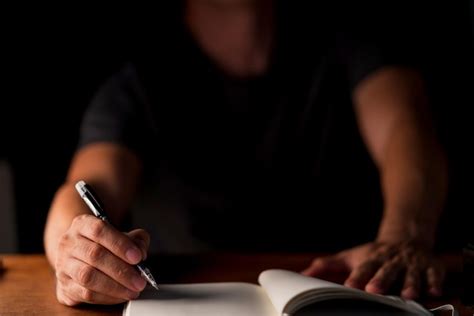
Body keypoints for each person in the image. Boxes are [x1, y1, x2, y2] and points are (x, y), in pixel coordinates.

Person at [44, 0, 448, 306]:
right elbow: (85, 189)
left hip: (350, 293)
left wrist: (402, 238)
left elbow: (406, 132)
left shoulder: (353, 36)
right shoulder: (136, 84)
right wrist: (75, 250)